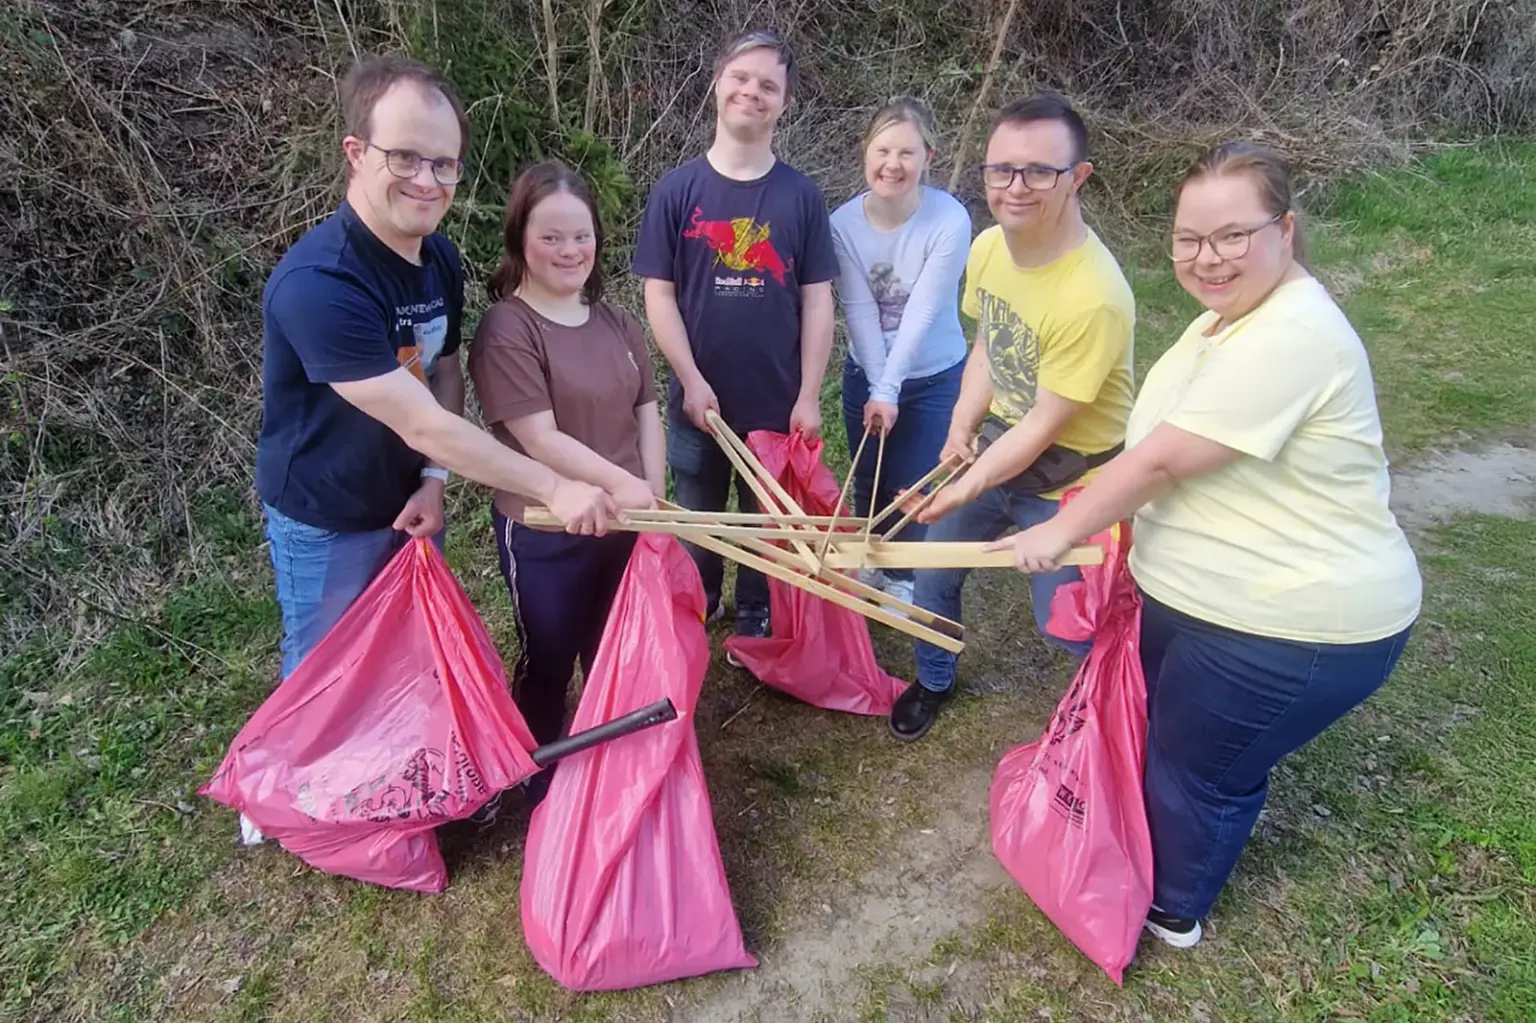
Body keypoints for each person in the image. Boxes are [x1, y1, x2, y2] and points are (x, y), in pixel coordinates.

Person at [987, 141, 1422, 948]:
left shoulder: (1296, 334)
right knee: (1163, 744)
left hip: (1291, 623)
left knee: (1199, 772)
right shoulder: (1225, 321)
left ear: (1285, 229)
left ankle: (1173, 908)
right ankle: (1154, 848)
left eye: (1231, 235)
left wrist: (1059, 528)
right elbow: (1157, 449)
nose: (1206, 258)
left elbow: (1159, 459)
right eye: (1188, 239)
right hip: (1200, 597)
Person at [254, 55, 614, 681]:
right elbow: (424, 422)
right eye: (405, 157)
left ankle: (399, 781)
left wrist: (434, 479)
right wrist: (554, 486)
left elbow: (444, 370)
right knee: (326, 683)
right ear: (356, 152)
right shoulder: (321, 282)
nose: (427, 180)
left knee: (411, 662)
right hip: (327, 519)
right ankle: (319, 785)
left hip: (412, 500)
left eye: (444, 164)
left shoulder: (438, 257)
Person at [889, 92, 1137, 742]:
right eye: (1001, 169)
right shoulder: (992, 248)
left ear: (1077, 177)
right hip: (1002, 444)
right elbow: (989, 348)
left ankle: (1112, 714)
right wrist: (959, 431)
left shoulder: (1093, 298)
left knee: (1067, 621)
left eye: (1038, 171)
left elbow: (1042, 429)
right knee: (933, 569)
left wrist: (963, 485)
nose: (1015, 186)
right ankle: (934, 678)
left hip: (1068, 476)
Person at [631, 27, 840, 649]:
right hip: (698, 405)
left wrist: (808, 394)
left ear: (785, 102)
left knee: (764, 517)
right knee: (698, 512)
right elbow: (658, 295)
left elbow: (817, 301)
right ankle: (700, 600)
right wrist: (691, 380)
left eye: (768, 85)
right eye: (741, 78)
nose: (753, 92)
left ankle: (756, 609)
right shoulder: (677, 191)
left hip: (775, 402)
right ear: (718, 82)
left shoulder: (801, 197)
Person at [467, 162, 665, 805]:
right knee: (547, 656)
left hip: (626, 523)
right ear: (521, 238)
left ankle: (609, 768)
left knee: (613, 651)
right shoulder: (508, 327)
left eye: (581, 236)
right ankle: (535, 773)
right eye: (551, 237)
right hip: (546, 529)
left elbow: (647, 410)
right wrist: (624, 485)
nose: (569, 251)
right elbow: (540, 437)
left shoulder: (614, 320)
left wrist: (651, 494)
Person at [829, 96, 972, 604]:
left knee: (914, 482)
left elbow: (922, 312)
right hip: (866, 373)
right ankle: (871, 560)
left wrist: (890, 389)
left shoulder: (949, 219)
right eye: (883, 150)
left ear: (928, 157)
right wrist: (877, 386)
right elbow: (860, 309)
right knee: (869, 475)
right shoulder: (842, 224)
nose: (893, 165)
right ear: (865, 152)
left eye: (907, 153)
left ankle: (904, 576)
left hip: (934, 375)